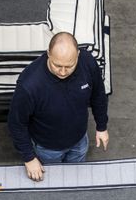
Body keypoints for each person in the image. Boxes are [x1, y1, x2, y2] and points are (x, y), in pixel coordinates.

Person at [7, 31, 108, 182]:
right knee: (53, 186)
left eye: (69, 66)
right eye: (57, 65)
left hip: (79, 142)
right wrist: (29, 158)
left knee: (76, 180)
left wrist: (101, 126)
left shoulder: (87, 62)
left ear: (78, 55)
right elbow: (16, 123)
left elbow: (98, 94)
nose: (62, 72)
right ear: (48, 53)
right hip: (47, 150)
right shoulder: (30, 84)